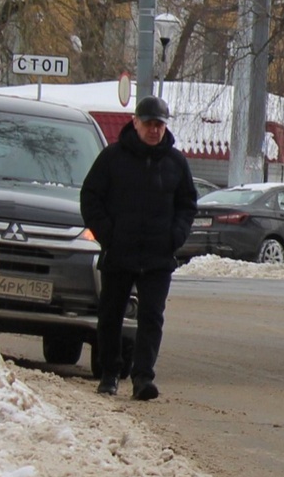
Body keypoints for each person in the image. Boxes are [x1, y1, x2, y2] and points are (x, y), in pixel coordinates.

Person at [80, 96, 198, 400]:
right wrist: (108, 233)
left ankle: (143, 377)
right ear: (135, 123)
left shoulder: (176, 163)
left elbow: (187, 203)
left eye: (159, 124)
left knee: (151, 317)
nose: (154, 129)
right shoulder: (112, 158)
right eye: (149, 123)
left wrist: (176, 235)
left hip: (158, 256)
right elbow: (90, 197)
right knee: (111, 315)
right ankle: (109, 374)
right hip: (119, 252)